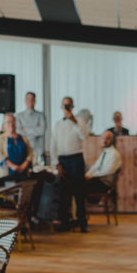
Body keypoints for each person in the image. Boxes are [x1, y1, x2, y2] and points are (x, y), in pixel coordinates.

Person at [49, 96, 88, 232]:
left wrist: (74, 121)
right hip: (63, 160)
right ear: (61, 107)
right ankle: (65, 222)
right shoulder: (57, 124)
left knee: (79, 192)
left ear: (72, 107)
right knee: (64, 193)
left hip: (76, 158)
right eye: (64, 105)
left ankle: (82, 222)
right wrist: (56, 163)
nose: (66, 108)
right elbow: (53, 145)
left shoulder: (79, 121)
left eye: (69, 105)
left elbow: (84, 137)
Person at [0, 113, 33, 180]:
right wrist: (13, 166)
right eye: (8, 122)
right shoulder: (0, 138)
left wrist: (23, 166)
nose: (11, 124)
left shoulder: (23, 138)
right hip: (8, 173)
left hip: (24, 172)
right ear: (4, 125)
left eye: (13, 121)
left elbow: (30, 153)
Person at [15, 92, 47, 161]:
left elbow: (42, 130)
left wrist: (25, 129)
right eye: (28, 99)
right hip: (23, 149)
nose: (30, 101)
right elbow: (18, 131)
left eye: (32, 99)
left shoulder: (40, 115)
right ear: (25, 100)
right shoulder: (19, 116)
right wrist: (35, 130)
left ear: (35, 101)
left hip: (37, 150)